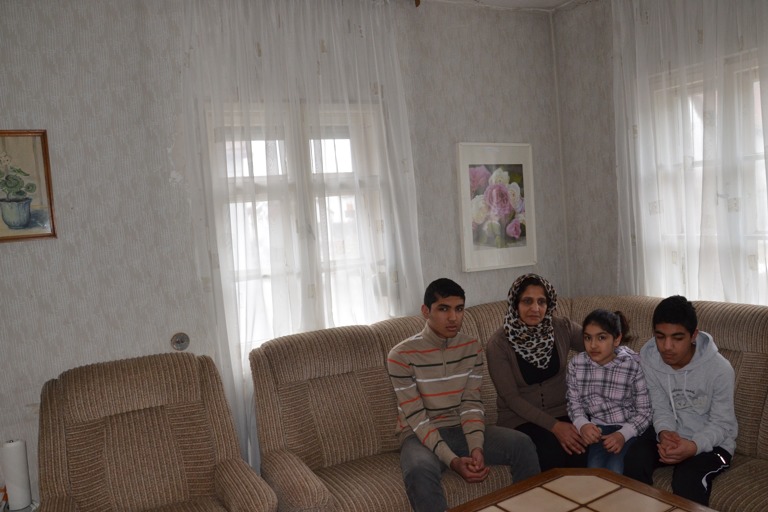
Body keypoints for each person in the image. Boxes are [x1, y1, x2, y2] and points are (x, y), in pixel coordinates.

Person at [388, 278, 540, 512]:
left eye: (459, 309)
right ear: (426, 311)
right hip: (418, 434)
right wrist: (453, 461)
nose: (453, 317)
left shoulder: (471, 348)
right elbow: (416, 417)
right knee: (419, 469)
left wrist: (476, 447)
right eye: (443, 309)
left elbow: (471, 404)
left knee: (522, 444)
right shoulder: (401, 355)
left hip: (460, 427)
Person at [623, 295, 737, 506]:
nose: (667, 347)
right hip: (672, 434)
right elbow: (659, 406)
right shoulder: (649, 358)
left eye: (677, 338)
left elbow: (722, 424)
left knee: (686, 480)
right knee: (634, 458)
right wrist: (664, 432)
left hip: (713, 444)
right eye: (660, 337)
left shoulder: (720, 370)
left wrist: (693, 446)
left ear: (693, 335)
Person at [486, 273, 587, 471]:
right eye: (527, 301)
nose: (535, 308)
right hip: (519, 419)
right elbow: (511, 398)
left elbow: (595, 345)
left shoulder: (562, 328)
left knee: (584, 447)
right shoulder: (498, 344)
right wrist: (554, 426)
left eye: (541, 302)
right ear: (515, 304)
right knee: (550, 451)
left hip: (564, 411)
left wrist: (621, 349)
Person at [566, 309, 652, 474]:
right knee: (595, 470)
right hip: (598, 428)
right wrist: (583, 425)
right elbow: (573, 403)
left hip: (628, 428)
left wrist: (623, 434)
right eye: (587, 338)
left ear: (617, 339)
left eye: (601, 338)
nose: (593, 345)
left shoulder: (632, 366)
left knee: (615, 469)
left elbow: (645, 412)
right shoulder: (576, 365)